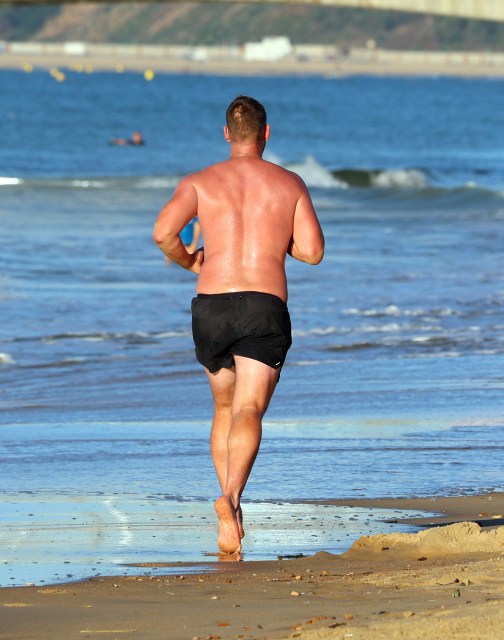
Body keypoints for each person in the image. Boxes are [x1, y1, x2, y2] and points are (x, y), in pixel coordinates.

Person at [153, 96, 324, 554]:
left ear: (226, 133)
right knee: (249, 409)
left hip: (211, 305)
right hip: (263, 305)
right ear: (267, 134)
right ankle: (230, 499)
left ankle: (231, 513)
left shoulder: (200, 182)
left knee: (224, 411)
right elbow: (312, 251)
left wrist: (190, 260)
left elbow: (162, 233)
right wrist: (275, 241)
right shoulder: (289, 183)